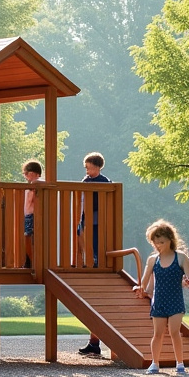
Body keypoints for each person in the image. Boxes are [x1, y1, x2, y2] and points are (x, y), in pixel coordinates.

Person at [133, 220, 189, 375]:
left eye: (161, 242)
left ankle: (180, 363)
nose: (158, 245)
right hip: (159, 301)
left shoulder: (181, 258)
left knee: (174, 331)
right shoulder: (152, 260)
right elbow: (144, 282)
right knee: (157, 334)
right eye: (155, 242)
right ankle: (155, 363)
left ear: (170, 240)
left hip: (175, 301)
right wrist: (140, 289)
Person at [77, 152, 112, 358]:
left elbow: (104, 197)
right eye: (86, 168)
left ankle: (95, 257)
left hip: (97, 217)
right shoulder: (86, 180)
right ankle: (94, 343)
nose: (87, 171)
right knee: (80, 233)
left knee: (95, 238)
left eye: (90, 168)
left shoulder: (103, 181)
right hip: (86, 215)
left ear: (97, 167)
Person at [22, 159, 43, 268]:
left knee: (29, 237)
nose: (25, 175)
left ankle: (31, 261)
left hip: (32, 215)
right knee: (28, 237)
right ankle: (29, 260)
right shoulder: (29, 186)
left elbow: (41, 181)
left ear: (35, 174)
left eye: (27, 173)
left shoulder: (36, 184)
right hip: (28, 215)